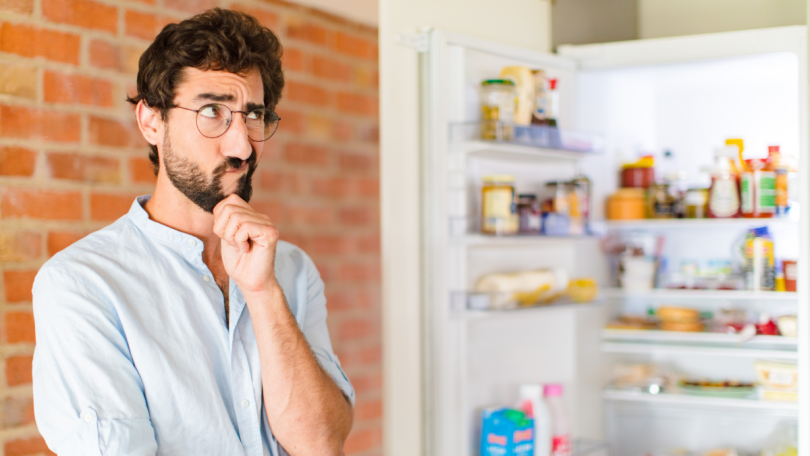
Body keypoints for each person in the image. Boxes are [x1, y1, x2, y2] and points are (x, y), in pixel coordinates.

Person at [31, 8, 354, 456]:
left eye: (254, 114)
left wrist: (262, 294)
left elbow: (321, 444)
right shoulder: (82, 284)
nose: (242, 146)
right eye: (213, 111)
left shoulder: (292, 270)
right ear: (151, 121)